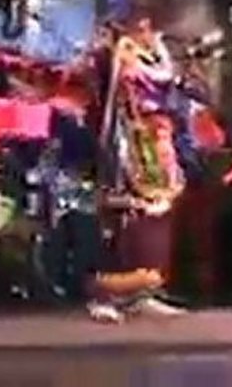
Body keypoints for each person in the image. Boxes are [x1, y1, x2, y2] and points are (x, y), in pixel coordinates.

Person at [86, 16, 187, 322]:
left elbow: (169, 86)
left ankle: (142, 293)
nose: (147, 27)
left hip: (157, 144)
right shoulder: (117, 52)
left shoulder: (156, 50)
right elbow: (146, 83)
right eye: (139, 22)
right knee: (122, 219)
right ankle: (104, 295)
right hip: (128, 142)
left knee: (155, 220)